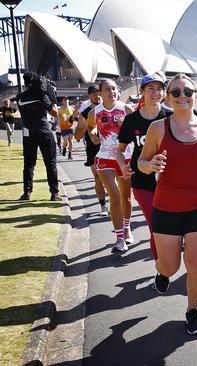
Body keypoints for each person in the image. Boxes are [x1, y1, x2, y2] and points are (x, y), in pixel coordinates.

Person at [138, 73, 197, 334]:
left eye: (187, 92)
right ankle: (162, 273)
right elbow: (141, 164)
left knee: (196, 263)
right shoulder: (158, 128)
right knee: (170, 266)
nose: (182, 97)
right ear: (168, 98)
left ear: (196, 96)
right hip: (166, 206)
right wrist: (150, 164)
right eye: (175, 92)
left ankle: (192, 310)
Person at [117, 73, 173, 288]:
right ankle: (161, 269)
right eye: (151, 88)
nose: (156, 93)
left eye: (159, 88)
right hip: (142, 181)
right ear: (142, 91)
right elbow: (120, 150)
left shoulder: (170, 116)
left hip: (170, 181)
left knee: (171, 228)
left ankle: (169, 258)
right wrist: (123, 165)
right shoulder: (132, 120)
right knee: (155, 225)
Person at [86, 79, 135, 252]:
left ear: (118, 91)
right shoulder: (95, 112)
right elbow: (90, 126)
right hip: (105, 157)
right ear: (100, 93)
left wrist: (127, 129)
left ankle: (127, 227)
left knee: (126, 197)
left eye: (114, 89)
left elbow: (137, 130)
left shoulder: (126, 109)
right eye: (107, 89)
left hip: (125, 157)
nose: (111, 92)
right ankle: (119, 238)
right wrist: (93, 135)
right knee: (114, 196)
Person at [13, 72, 60, 201]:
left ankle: (27, 192)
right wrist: (52, 98)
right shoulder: (41, 96)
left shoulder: (20, 97)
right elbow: (55, 113)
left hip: (28, 133)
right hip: (44, 131)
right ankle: (54, 193)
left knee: (28, 164)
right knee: (50, 163)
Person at [74, 85, 108, 216]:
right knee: (98, 178)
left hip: (109, 146)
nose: (97, 96)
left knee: (114, 177)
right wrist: (86, 124)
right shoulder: (86, 112)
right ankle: (103, 205)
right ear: (89, 96)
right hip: (92, 147)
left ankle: (115, 202)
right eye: (94, 94)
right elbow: (77, 136)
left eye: (99, 93)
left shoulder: (110, 109)